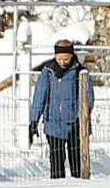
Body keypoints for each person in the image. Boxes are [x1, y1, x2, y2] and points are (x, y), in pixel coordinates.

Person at [29, 38, 92, 180]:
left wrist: (83, 118)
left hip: (75, 125)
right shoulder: (48, 72)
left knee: (77, 164)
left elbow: (88, 98)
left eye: (66, 59)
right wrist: (34, 120)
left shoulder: (80, 72)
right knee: (56, 163)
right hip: (53, 124)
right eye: (59, 59)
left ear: (72, 56)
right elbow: (40, 96)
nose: (62, 62)